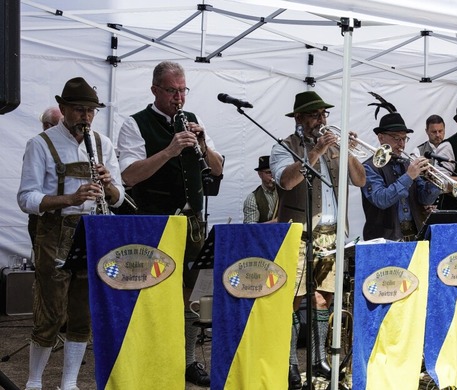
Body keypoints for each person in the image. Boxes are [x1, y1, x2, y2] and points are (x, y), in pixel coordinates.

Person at [116, 61, 224, 387]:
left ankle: (187, 359)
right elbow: (128, 175)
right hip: (155, 221)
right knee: (155, 292)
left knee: (194, 293)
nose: (179, 98)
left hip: (192, 222)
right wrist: (169, 150)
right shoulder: (134, 124)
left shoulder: (194, 121)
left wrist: (203, 144)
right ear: (155, 90)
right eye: (172, 91)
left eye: (182, 90)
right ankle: (152, 356)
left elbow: (217, 170)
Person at [17, 77, 125, 390]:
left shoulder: (103, 144)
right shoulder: (41, 144)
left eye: (91, 111)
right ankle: (34, 381)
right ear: (63, 109)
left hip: (93, 231)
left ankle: (70, 383)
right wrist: (70, 198)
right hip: (55, 231)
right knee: (51, 312)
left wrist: (108, 185)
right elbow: (26, 199)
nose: (86, 117)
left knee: (83, 313)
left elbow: (119, 199)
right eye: (79, 110)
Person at [270, 91, 365, 389]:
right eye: (314, 115)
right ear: (299, 118)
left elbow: (360, 180)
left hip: (332, 234)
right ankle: (290, 364)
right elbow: (286, 181)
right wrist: (316, 153)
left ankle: (318, 357)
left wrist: (348, 151)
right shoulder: (284, 146)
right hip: (299, 233)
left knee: (323, 297)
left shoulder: (335, 147)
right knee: (292, 300)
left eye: (323, 114)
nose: (321, 120)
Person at [361, 112, 440, 241]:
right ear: (381, 138)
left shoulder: (407, 163)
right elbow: (381, 199)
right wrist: (409, 177)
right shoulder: (368, 167)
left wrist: (434, 182)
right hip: (384, 239)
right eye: (396, 138)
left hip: (415, 236)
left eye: (404, 139)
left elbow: (425, 200)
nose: (401, 144)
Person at [25, 107, 64, 247]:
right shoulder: (37, 145)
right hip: (44, 217)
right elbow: (29, 194)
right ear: (47, 126)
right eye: (60, 125)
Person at [243, 155, 279, 223]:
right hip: (265, 233)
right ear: (260, 174)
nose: (273, 176)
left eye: (274, 172)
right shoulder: (252, 198)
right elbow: (250, 228)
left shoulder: (286, 192)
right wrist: (276, 222)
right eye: (268, 172)